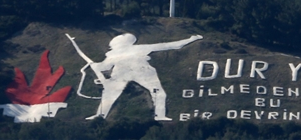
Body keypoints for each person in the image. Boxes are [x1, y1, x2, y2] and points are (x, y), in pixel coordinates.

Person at [66, 32, 202, 121]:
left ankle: (100, 116)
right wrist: (190, 39)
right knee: (157, 93)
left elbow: (105, 67)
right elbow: (172, 45)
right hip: (134, 72)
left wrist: (96, 66)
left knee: (110, 95)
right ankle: (159, 115)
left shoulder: (115, 53)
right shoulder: (123, 52)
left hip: (137, 72)